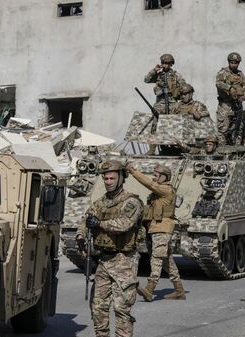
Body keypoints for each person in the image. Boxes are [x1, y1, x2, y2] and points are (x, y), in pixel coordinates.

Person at [75, 160, 143, 337]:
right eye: (105, 178)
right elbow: (86, 218)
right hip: (104, 261)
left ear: (121, 178)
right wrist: (80, 236)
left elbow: (123, 224)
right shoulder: (101, 202)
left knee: (122, 308)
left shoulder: (131, 202)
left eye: (112, 178)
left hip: (124, 261)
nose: (108, 181)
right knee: (98, 307)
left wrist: (100, 223)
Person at [128, 164, 185, 302]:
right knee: (167, 261)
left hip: (162, 228)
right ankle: (179, 291)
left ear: (164, 177)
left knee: (156, 258)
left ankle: (149, 289)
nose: (153, 177)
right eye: (153, 174)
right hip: (156, 228)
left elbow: (149, 184)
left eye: (156, 175)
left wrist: (133, 171)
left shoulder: (165, 189)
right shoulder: (159, 192)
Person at [144, 54, 187, 154]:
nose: (164, 65)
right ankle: (152, 150)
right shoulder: (158, 75)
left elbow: (184, 87)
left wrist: (175, 91)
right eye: (163, 63)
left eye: (167, 63)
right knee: (155, 126)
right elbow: (146, 79)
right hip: (160, 104)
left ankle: (173, 148)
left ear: (171, 64)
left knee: (172, 126)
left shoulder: (176, 76)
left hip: (172, 103)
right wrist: (154, 70)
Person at [216, 52, 245, 145]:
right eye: (232, 62)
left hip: (237, 104)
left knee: (238, 127)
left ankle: (237, 148)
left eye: (236, 63)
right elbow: (218, 83)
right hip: (225, 104)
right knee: (223, 127)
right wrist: (229, 88)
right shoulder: (223, 72)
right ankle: (222, 148)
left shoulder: (240, 74)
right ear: (229, 62)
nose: (234, 65)